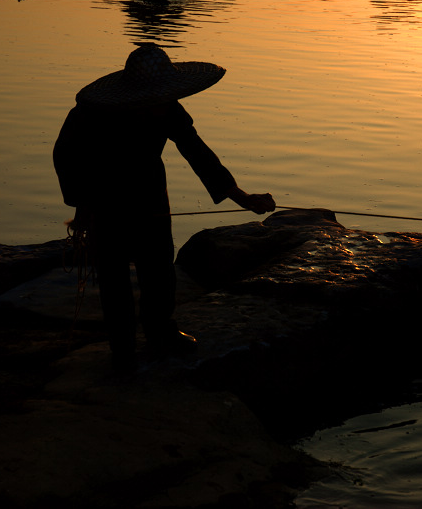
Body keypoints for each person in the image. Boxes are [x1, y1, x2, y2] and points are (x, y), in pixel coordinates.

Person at [54, 43, 275, 371]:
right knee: (114, 276)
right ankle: (122, 348)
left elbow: (196, 150)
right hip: (104, 196)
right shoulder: (91, 113)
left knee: (159, 268)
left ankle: (160, 332)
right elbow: (64, 155)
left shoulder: (168, 108)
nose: (163, 103)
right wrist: (83, 203)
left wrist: (241, 197)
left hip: (150, 191)